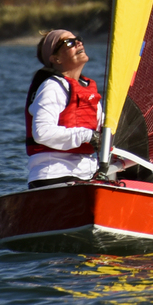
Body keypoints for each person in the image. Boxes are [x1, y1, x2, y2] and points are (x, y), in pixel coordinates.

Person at [25, 28, 102, 188]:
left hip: (88, 174)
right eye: (69, 42)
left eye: (78, 39)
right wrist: (88, 136)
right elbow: (42, 133)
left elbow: (103, 133)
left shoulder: (88, 90)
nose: (78, 43)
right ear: (56, 59)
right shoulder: (52, 87)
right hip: (53, 174)